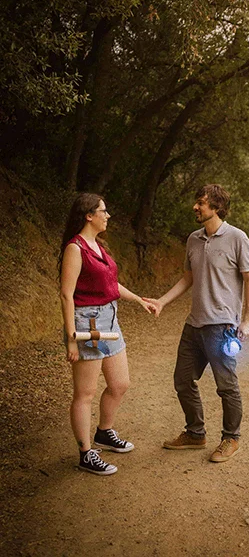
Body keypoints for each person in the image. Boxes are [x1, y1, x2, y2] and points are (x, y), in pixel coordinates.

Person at [144, 184, 249, 462]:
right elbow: (188, 278)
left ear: (216, 207)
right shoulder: (193, 239)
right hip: (194, 324)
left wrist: (247, 321)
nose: (195, 207)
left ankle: (231, 438)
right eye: (197, 202)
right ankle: (195, 433)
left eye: (201, 203)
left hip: (221, 327)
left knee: (226, 386)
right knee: (182, 380)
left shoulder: (237, 238)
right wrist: (162, 301)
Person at [59, 193, 153, 476]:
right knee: (85, 393)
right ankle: (86, 453)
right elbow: (66, 294)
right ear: (89, 215)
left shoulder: (97, 246)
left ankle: (104, 433)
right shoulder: (75, 249)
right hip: (88, 324)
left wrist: (139, 300)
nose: (108, 215)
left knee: (120, 384)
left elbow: (112, 284)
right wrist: (72, 337)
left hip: (110, 319)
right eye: (103, 211)